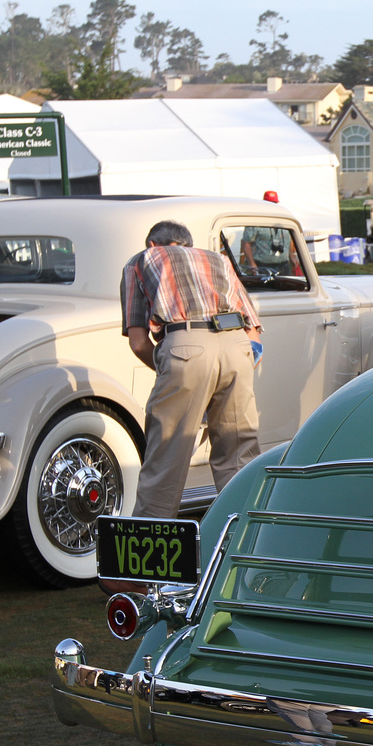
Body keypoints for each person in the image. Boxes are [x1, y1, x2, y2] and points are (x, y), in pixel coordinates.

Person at [119, 219, 263, 521]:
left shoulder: (141, 260)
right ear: (186, 244)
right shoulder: (218, 259)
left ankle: (149, 557)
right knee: (239, 458)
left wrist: (172, 371)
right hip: (237, 346)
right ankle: (244, 544)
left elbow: (137, 341)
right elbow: (254, 333)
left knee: (166, 462)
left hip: (186, 348)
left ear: (152, 245)